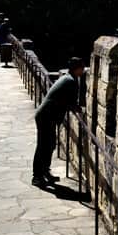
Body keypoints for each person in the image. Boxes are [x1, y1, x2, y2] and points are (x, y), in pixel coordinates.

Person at [32, 57, 85, 187]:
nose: (83, 70)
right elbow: (72, 103)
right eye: (82, 68)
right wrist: (81, 111)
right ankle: (37, 176)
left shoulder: (69, 78)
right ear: (76, 68)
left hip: (48, 116)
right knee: (43, 146)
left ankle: (45, 171)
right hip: (46, 116)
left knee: (50, 145)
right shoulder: (70, 81)